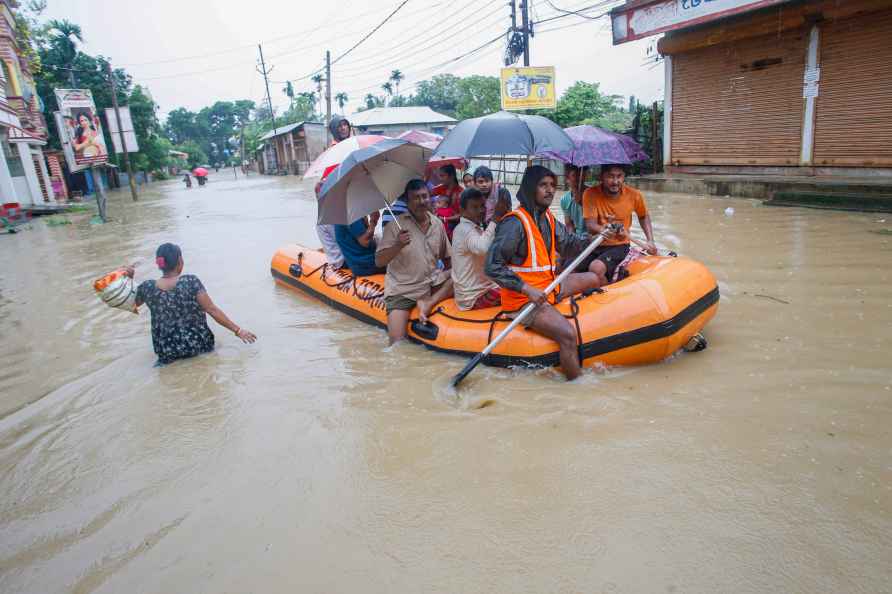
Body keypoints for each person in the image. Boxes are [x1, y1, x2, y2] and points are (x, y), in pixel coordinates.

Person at [485, 165, 607, 380]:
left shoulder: (547, 217)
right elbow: (492, 266)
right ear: (531, 188)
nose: (550, 190)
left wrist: (596, 237)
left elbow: (569, 244)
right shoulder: (514, 224)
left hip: (549, 286)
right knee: (568, 335)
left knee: (595, 278)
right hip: (524, 300)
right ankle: (576, 384)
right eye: (543, 185)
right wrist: (526, 289)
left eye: (552, 185)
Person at [124, 243, 256, 365]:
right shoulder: (191, 281)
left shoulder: (148, 287)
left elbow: (129, 304)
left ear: (159, 264)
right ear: (180, 261)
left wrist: (129, 279)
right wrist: (238, 330)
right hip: (199, 347)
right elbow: (212, 310)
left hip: (167, 353)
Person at [375, 179, 453, 344]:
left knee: (458, 275)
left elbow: (448, 258)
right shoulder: (395, 227)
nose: (422, 201)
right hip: (403, 290)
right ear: (407, 202)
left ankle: (428, 303)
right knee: (397, 343)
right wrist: (397, 245)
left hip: (431, 284)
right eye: (416, 198)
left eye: (424, 196)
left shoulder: (437, 224)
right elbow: (379, 261)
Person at [582, 164, 657, 287]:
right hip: (595, 243)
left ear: (624, 177)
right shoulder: (590, 194)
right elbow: (590, 225)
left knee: (595, 268)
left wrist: (650, 240)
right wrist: (604, 229)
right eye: (610, 176)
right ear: (602, 177)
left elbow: (643, 216)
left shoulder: (634, 195)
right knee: (568, 265)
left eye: (619, 176)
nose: (615, 181)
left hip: (620, 245)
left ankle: (609, 295)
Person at [451, 188, 507, 311]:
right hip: (474, 297)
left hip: (481, 290)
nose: (481, 210)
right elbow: (483, 248)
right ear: (462, 210)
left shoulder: (475, 228)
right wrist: (496, 217)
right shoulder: (463, 229)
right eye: (475, 207)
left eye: (482, 206)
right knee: (521, 294)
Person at [334, 211, 385, 276]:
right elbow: (365, 242)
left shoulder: (341, 214)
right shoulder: (352, 214)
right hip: (366, 264)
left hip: (356, 263)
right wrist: (373, 221)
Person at [559, 164, 589, 234]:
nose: (579, 178)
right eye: (575, 175)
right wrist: (573, 239)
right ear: (567, 178)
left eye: (581, 174)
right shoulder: (565, 199)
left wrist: (582, 203)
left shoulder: (593, 194)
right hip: (577, 238)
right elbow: (569, 225)